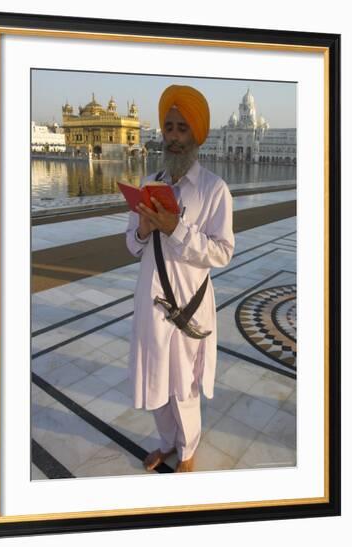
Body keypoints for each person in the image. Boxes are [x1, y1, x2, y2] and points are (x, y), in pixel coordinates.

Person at [125, 84, 235, 473]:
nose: (173, 136)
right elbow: (133, 247)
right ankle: (167, 443)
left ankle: (187, 451)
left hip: (189, 305)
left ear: (196, 135)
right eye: (169, 127)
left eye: (181, 128)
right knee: (156, 381)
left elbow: (222, 251)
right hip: (150, 303)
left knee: (185, 385)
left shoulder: (214, 190)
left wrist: (176, 228)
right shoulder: (149, 183)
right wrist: (141, 229)